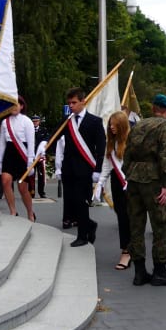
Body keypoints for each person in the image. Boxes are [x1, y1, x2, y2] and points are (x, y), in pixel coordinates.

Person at [124, 94, 166, 286]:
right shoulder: (164, 125)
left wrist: (129, 174)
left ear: (153, 109)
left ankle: (139, 272)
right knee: (160, 225)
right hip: (153, 179)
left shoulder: (137, 125)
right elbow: (164, 155)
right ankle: (160, 271)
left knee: (136, 226)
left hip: (133, 179)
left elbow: (127, 154)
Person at [61, 87, 106, 246]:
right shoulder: (67, 121)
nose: (71, 106)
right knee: (72, 202)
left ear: (83, 101)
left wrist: (98, 170)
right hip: (68, 168)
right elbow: (55, 137)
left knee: (81, 202)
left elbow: (101, 148)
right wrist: (44, 144)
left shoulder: (95, 121)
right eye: (69, 103)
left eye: (74, 102)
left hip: (85, 169)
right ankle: (90, 225)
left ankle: (82, 236)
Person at [94, 111, 132, 270]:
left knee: (132, 219)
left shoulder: (132, 141)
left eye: (114, 124)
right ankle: (128, 250)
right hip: (117, 183)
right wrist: (100, 183)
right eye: (110, 124)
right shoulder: (111, 142)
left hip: (132, 183)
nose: (111, 127)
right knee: (122, 218)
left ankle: (131, 250)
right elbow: (107, 165)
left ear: (122, 125)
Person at [0, 97, 36, 221]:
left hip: (22, 155)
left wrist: (30, 162)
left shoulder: (27, 121)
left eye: (16, 104)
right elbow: (2, 143)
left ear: (22, 106)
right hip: (9, 154)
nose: (14, 107)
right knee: (5, 181)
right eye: (11, 104)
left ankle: (30, 213)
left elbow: (31, 143)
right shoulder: (5, 122)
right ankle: (13, 211)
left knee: (22, 188)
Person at [28, 115, 49, 199]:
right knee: (31, 175)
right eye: (33, 121)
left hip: (40, 156)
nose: (35, 123)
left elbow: (47, 140)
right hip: (31, 156)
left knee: (41, 176)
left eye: (36, 121)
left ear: (39, 121)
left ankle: (41, 192)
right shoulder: (29, 130)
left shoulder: (44, 130)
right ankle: (31, 192)